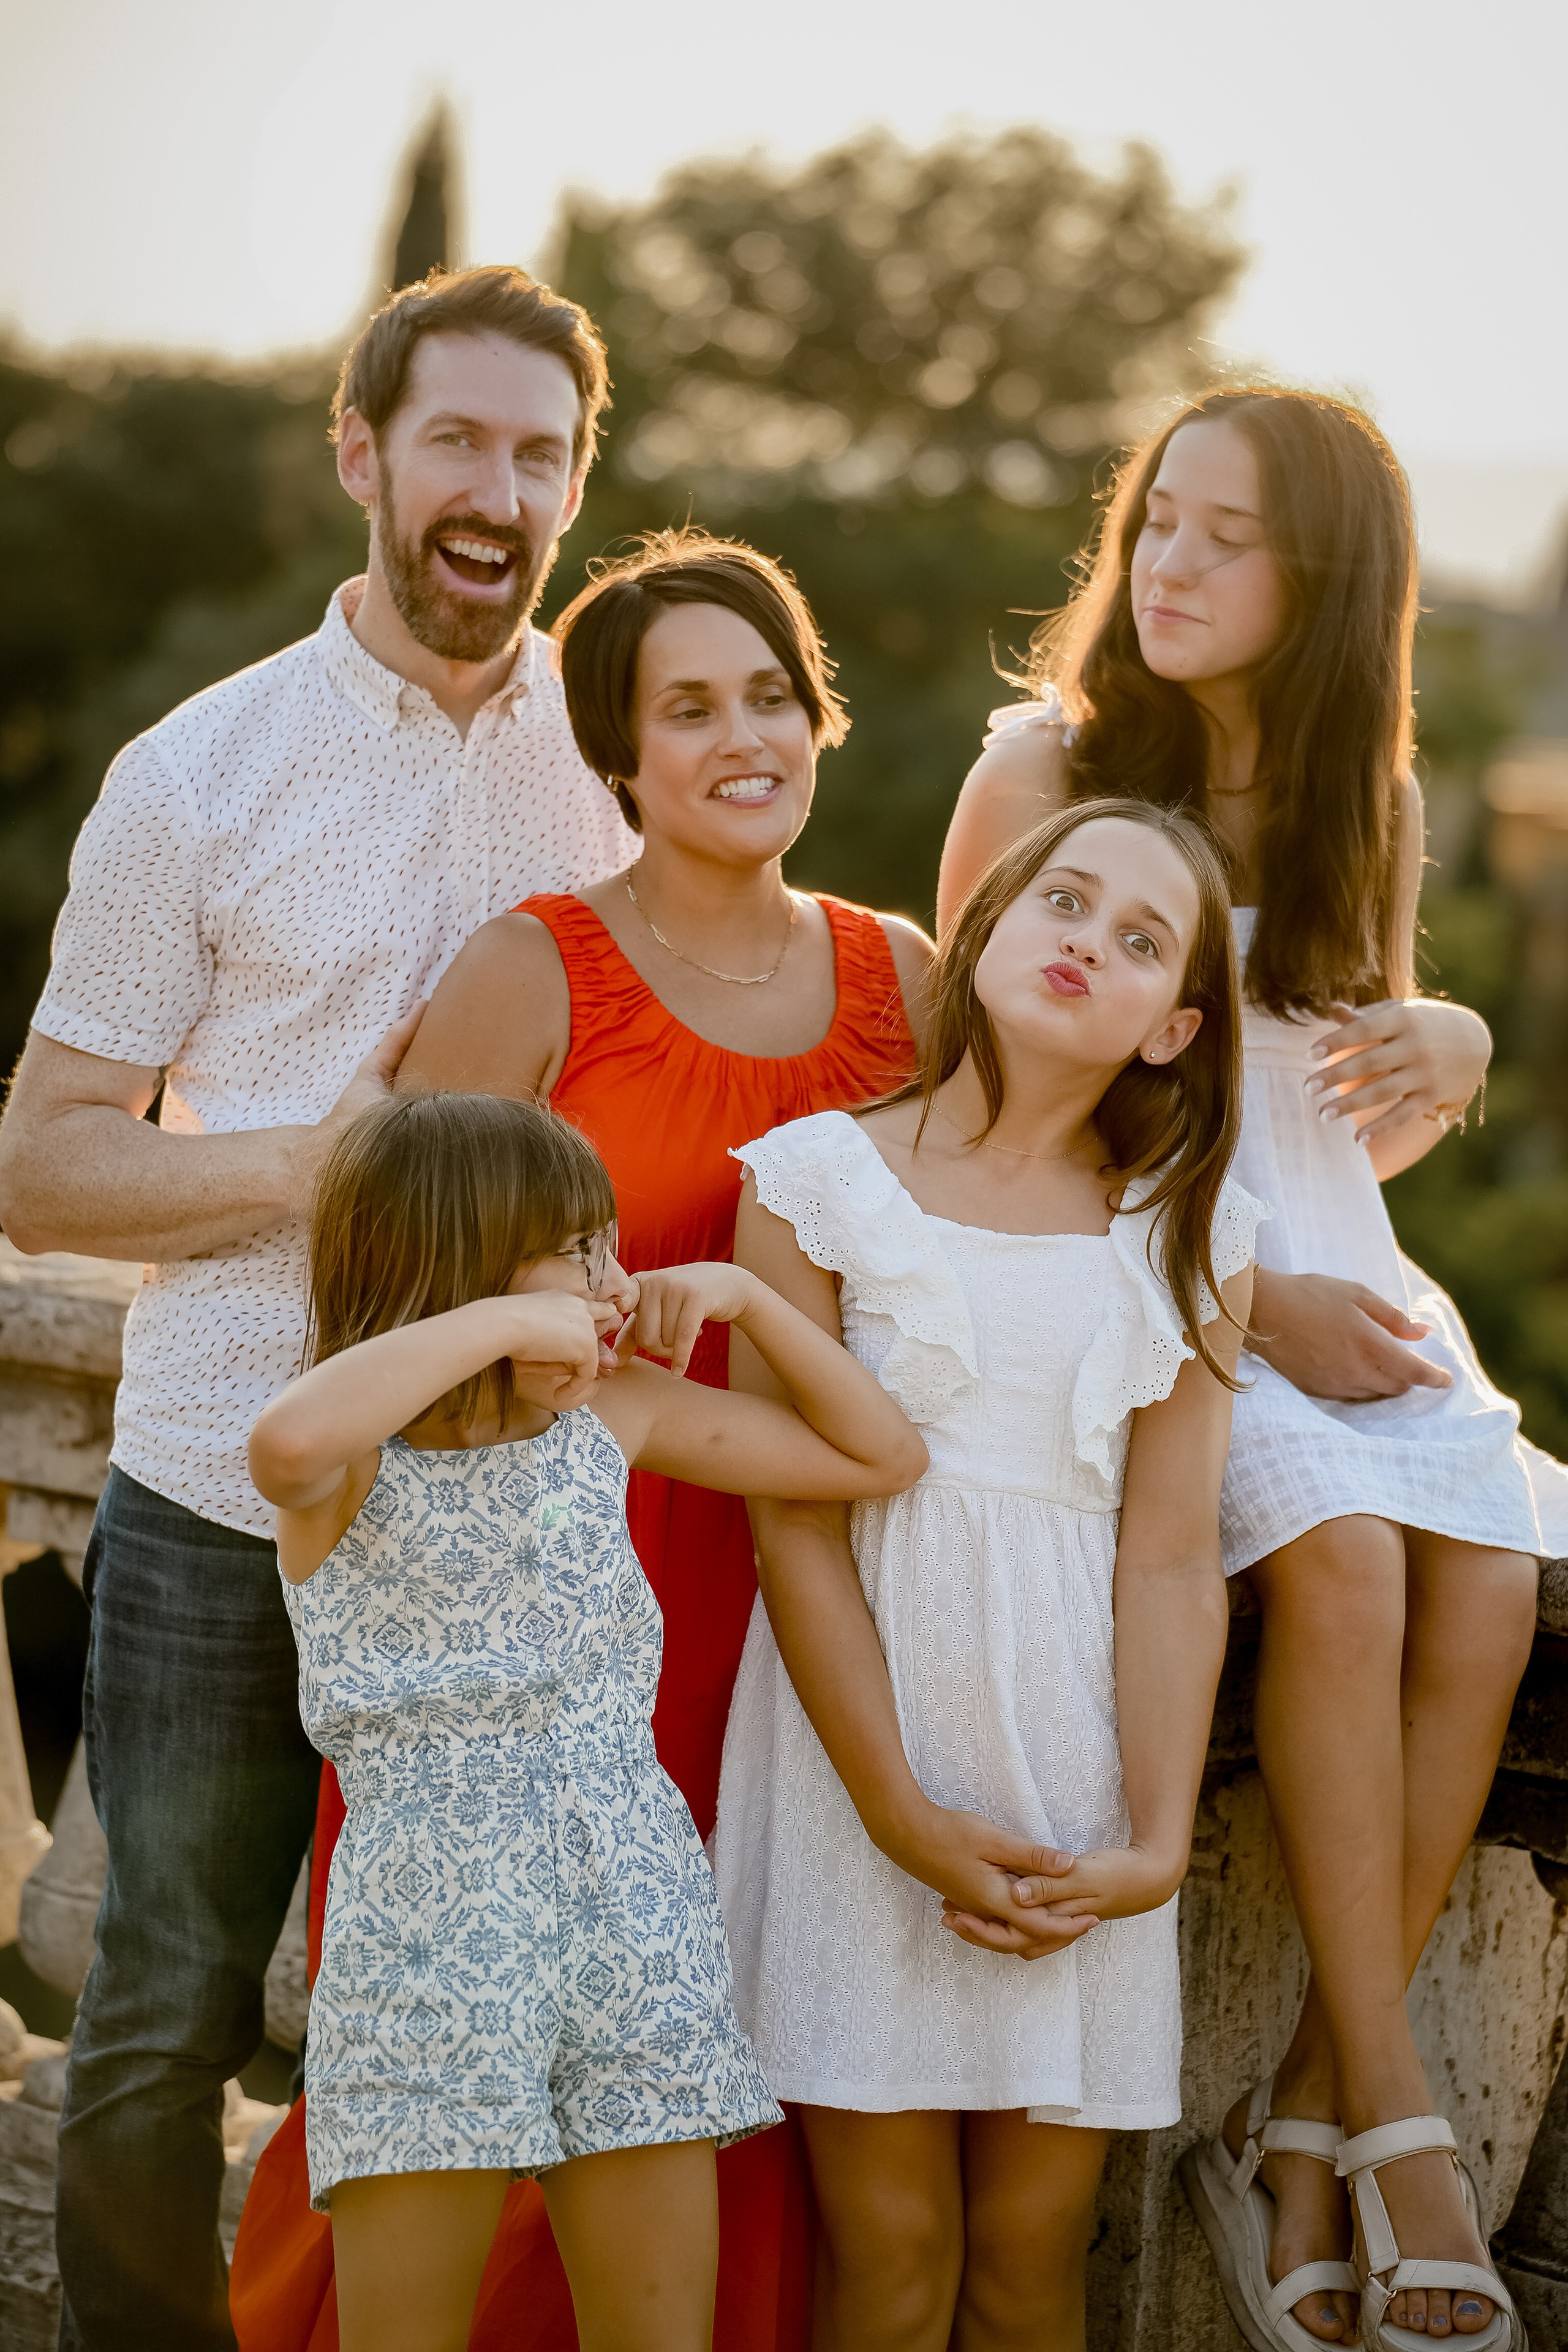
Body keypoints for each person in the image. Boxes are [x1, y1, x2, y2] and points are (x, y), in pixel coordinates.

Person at [231, 530, 976, 2351]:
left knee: (693, 2058)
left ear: (824, 723)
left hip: (802, 1605)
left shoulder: (912, 980)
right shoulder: (534, 966)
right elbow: (394, 1268)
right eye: (689, 706)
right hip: (525, 1589)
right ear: (618, 756)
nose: (746, 735)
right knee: (456, 2128)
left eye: (776, 697)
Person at [0, 262, 639, 2352]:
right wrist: (321, 1161)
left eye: (542, 453)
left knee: (475, 2021)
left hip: (504, 1513)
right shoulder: (198, 774)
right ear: (361, 452)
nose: (500, 486)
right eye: (457, 436)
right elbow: (44, 1160)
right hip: (212, 1485)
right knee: (163, 1993)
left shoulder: (623, 760)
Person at [940, 387, 1556, 2348]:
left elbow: (1336, 1107)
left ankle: (1301, 2111)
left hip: (1342, 1270)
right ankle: (1395, 2116)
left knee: (1484, 1583)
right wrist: (1243, 1292)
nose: (1173, 569)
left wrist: (1448, 1038)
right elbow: (989, 1103)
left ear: (1329, 583)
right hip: (1145, 1284)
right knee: (1350, 1567)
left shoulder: (1359, 800)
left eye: (1229, 539)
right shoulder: (1045, 764)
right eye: (1161, 524)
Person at [248, 1088, 930, 2352]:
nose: (613, 1282)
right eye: (577, 1250)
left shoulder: (609, 1422)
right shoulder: (346, 1468)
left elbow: (877, 1456)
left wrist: (745, 1298)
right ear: (458, 1252)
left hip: (636, 1909)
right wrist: (505, 1322)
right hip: (427, 1939)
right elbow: (285, 1442)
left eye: (610, 1246)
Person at [712, 799, 1262, 2352]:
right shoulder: (816, 1180)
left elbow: (1165, 1562)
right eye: (1065, 900)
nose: (1088, 939)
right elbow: (791, 1523)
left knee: (1032, 2254)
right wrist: (894, 1810)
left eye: (1140, 939)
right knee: (886, 2255)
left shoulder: (1188, 1235)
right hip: (856, 1779)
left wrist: (1152, 1841)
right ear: (990, 923)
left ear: (1173, 1030)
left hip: (1071, 1785)